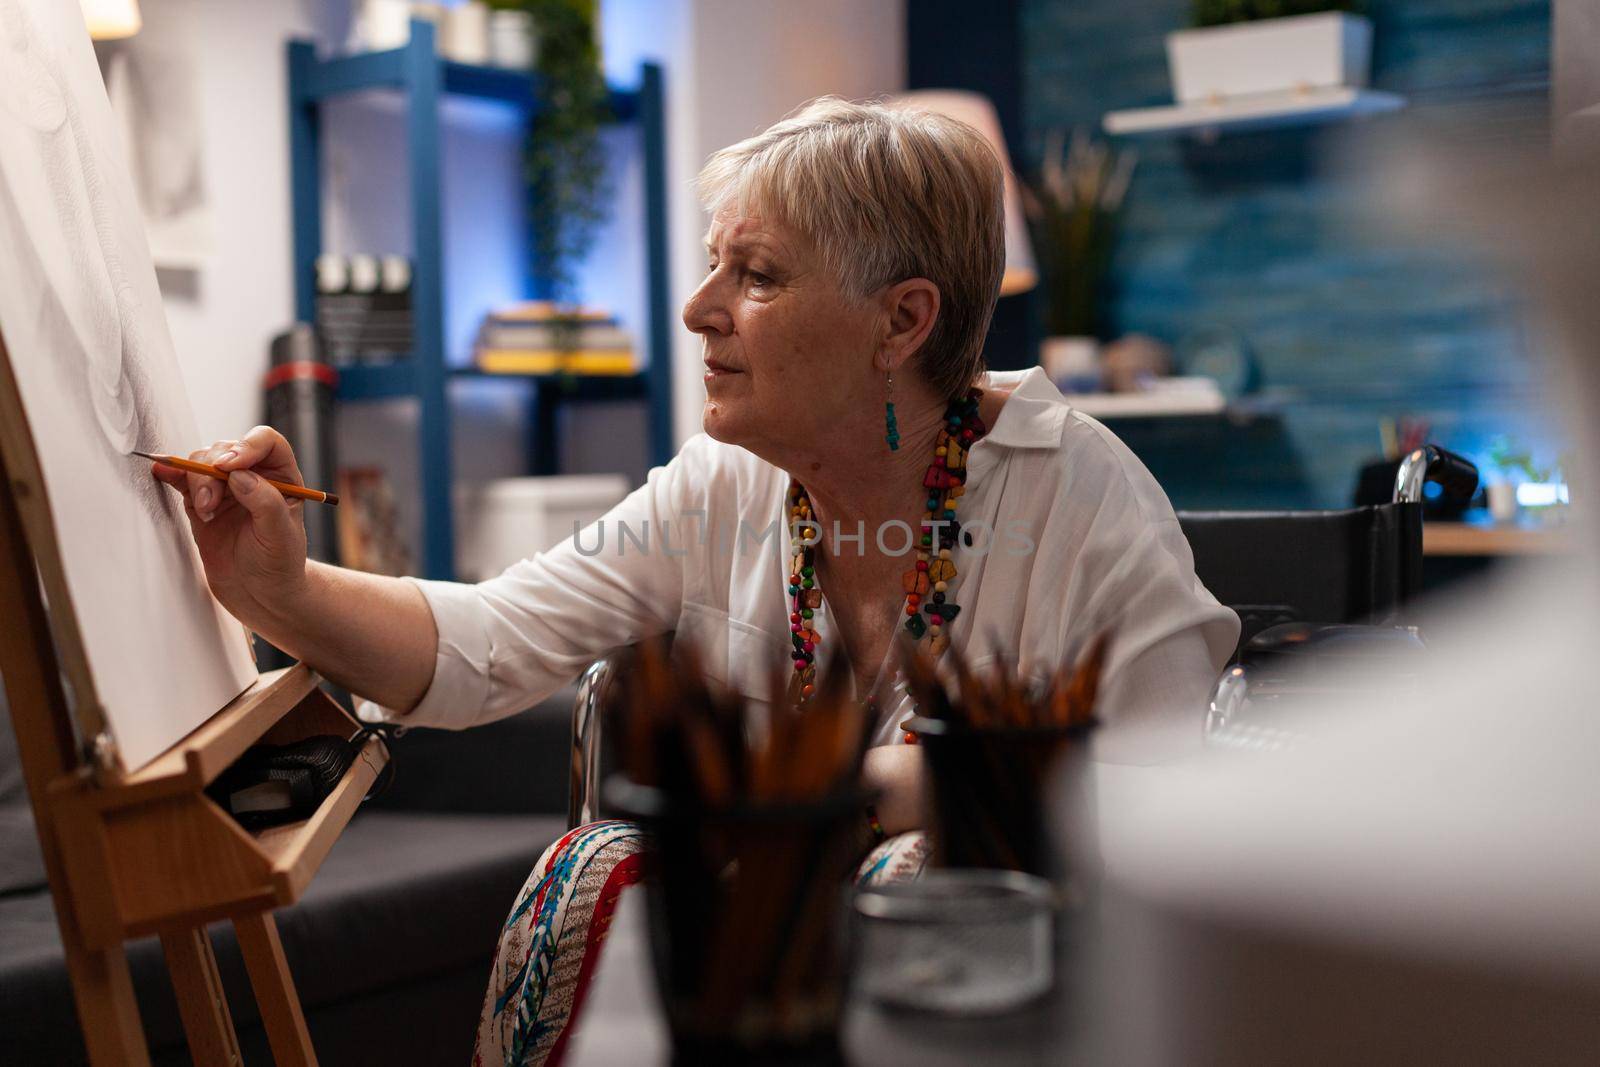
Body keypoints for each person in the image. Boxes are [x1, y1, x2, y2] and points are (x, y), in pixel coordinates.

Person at [153, 97, 1237, 1066]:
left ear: (903, 320)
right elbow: (489, 638)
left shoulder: (1082, 496)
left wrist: (883, 796)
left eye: (756, 275)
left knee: (904, 883)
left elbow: (1178, 804)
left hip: (1037, 995)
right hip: (754, 971)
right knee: (588, 869)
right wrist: (281, 591)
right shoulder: (724, 480)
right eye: (715, 263)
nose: (698, 308)